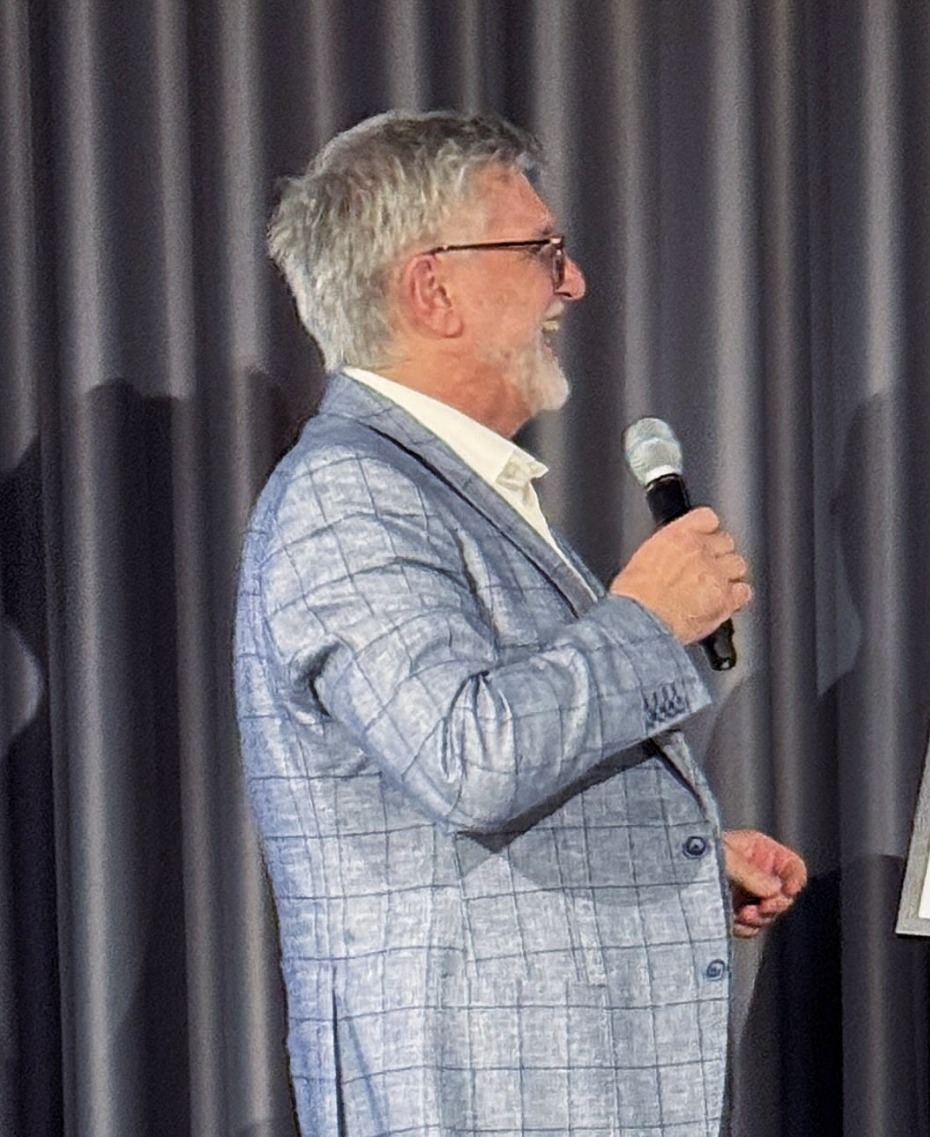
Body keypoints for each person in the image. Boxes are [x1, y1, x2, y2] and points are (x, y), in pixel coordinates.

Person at [236, 109, 805, 1135]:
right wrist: (644, 616)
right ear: (433, 288)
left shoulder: (438, 488)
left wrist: (666, 854)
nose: (572, 282)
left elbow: (446, 789)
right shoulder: (350, 497)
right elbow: (469, 752)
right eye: (541, 251)